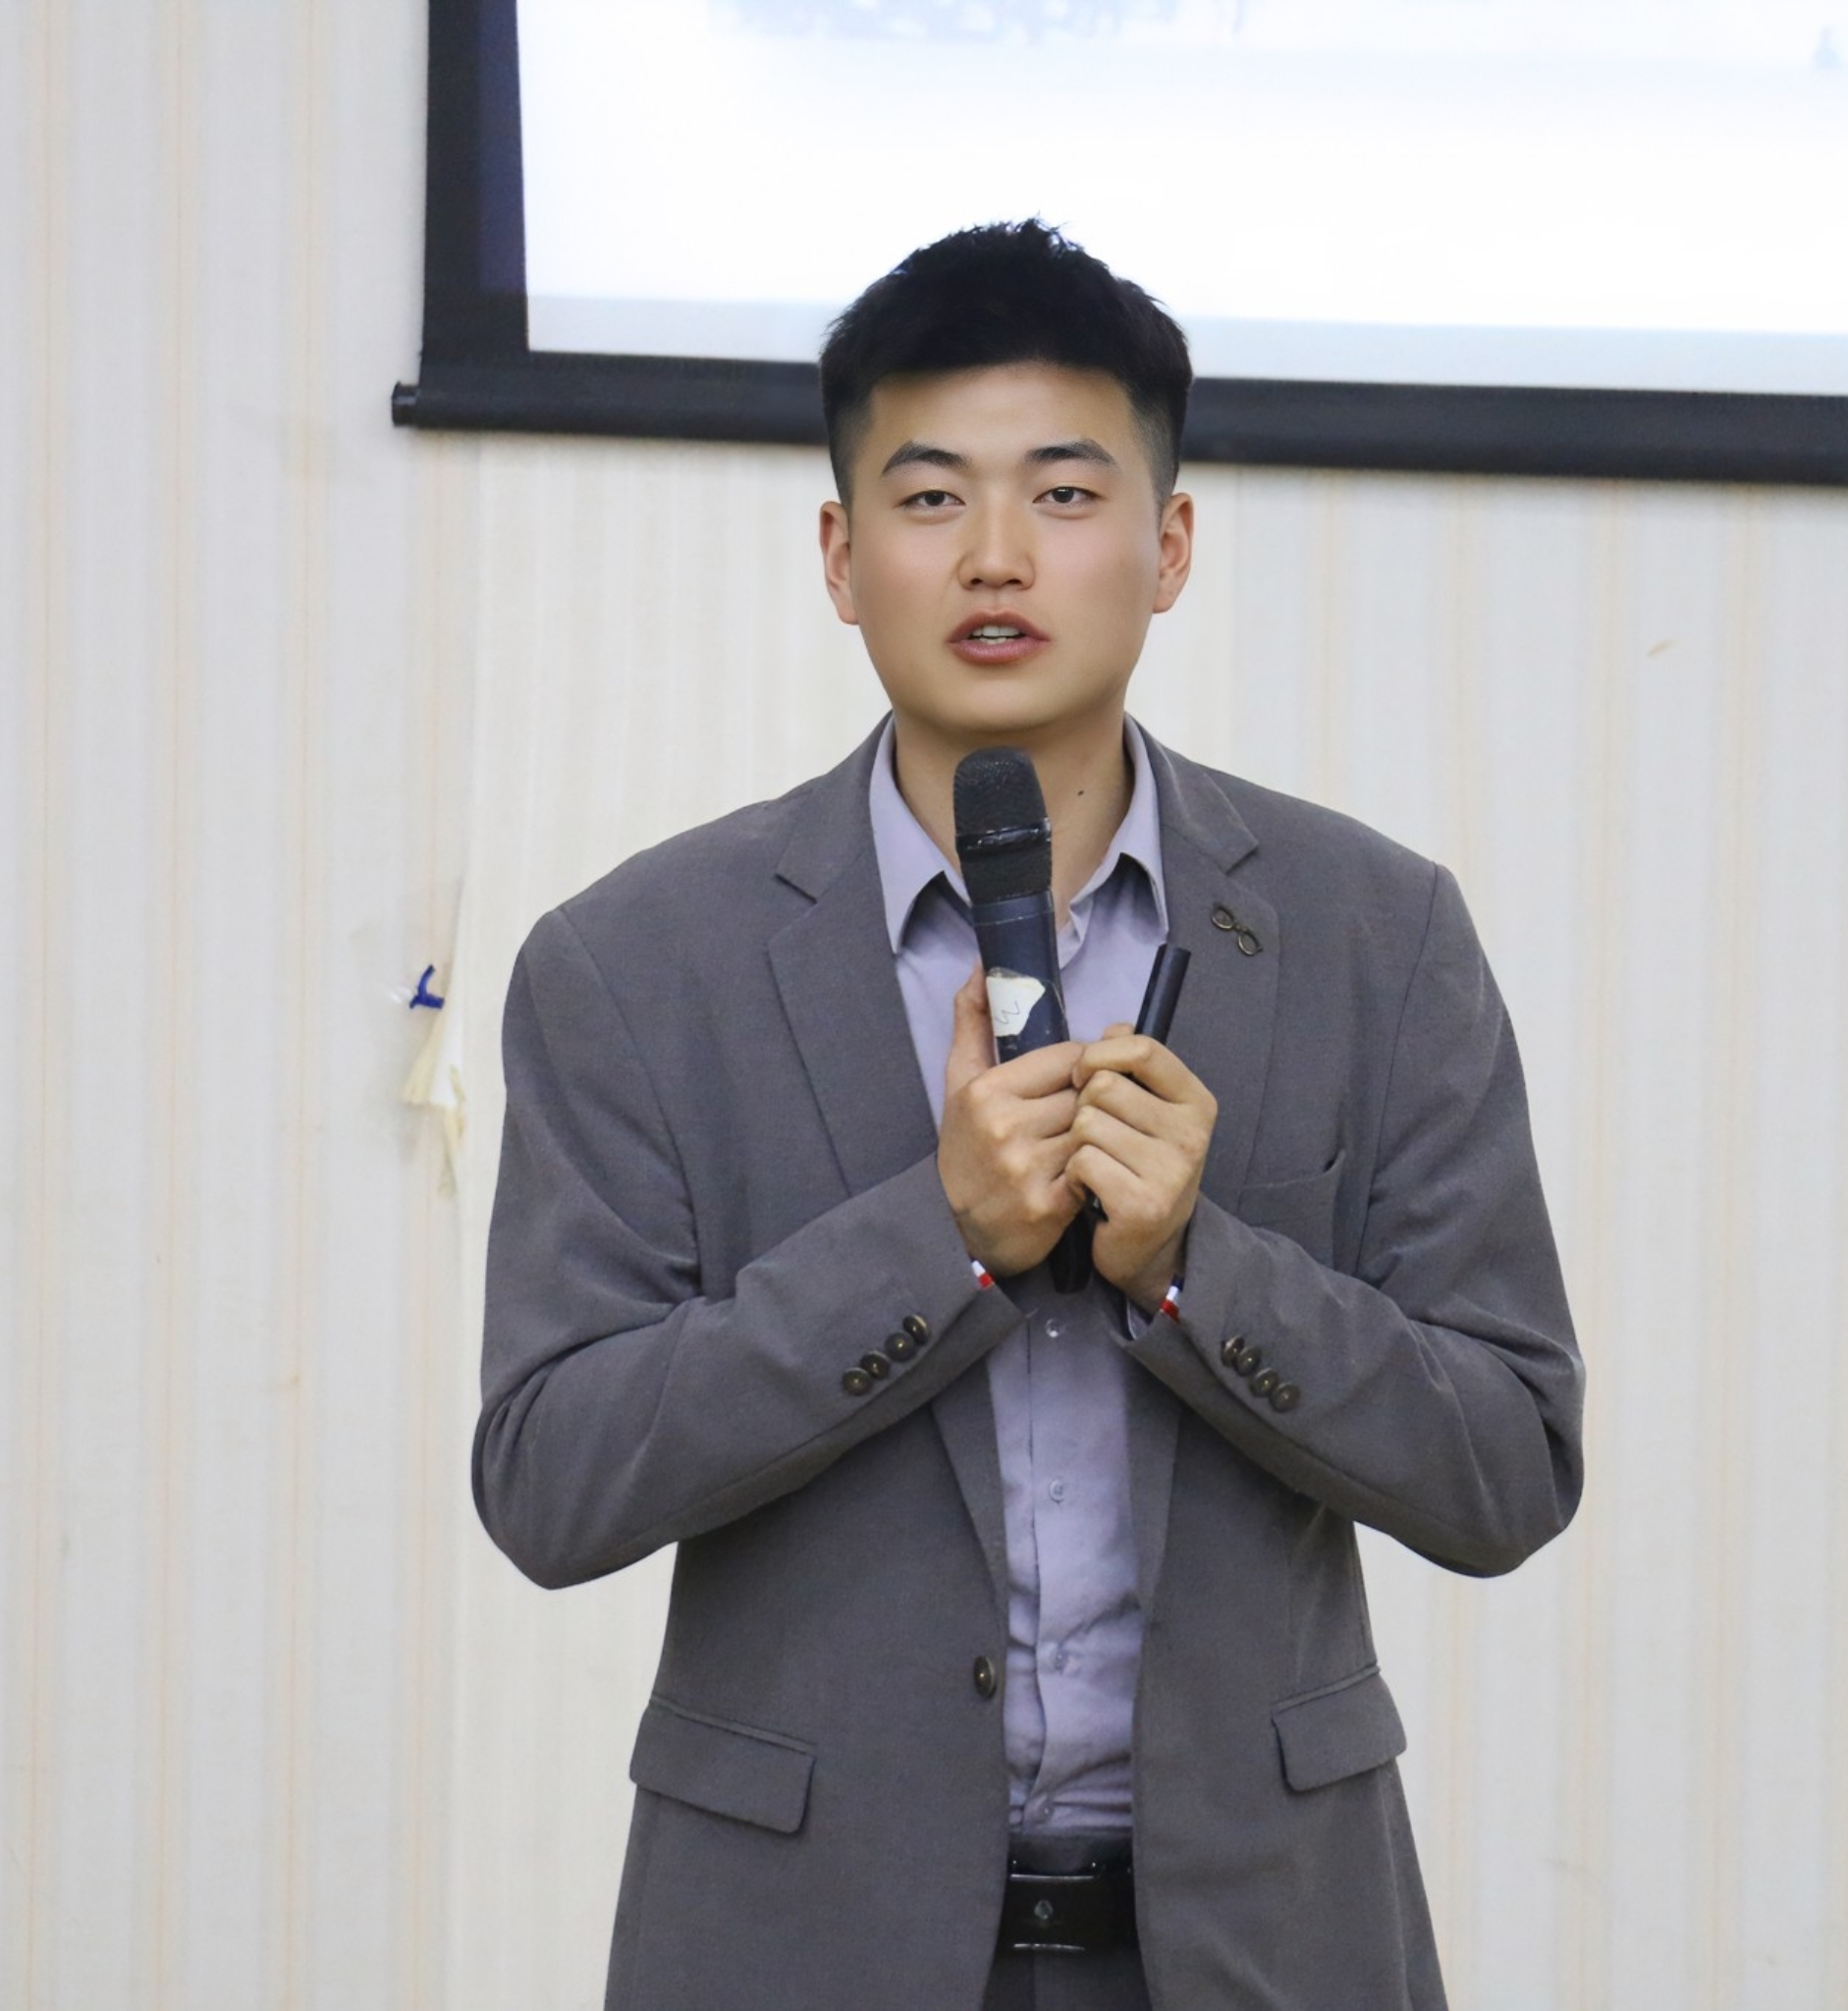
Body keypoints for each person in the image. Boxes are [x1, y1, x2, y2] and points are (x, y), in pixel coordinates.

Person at [470, 222, 1579, 2011]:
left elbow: (1510, 1465)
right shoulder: (637, 963)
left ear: (1170, 545)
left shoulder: (1373, 935)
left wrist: (1194, 1268)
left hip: (1265, 1943)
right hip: (798, 1952)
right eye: (929, 499)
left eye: (1065, 494)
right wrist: (938, 1242)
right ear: (842, 557)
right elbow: (550, 1477)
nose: (996, 556)